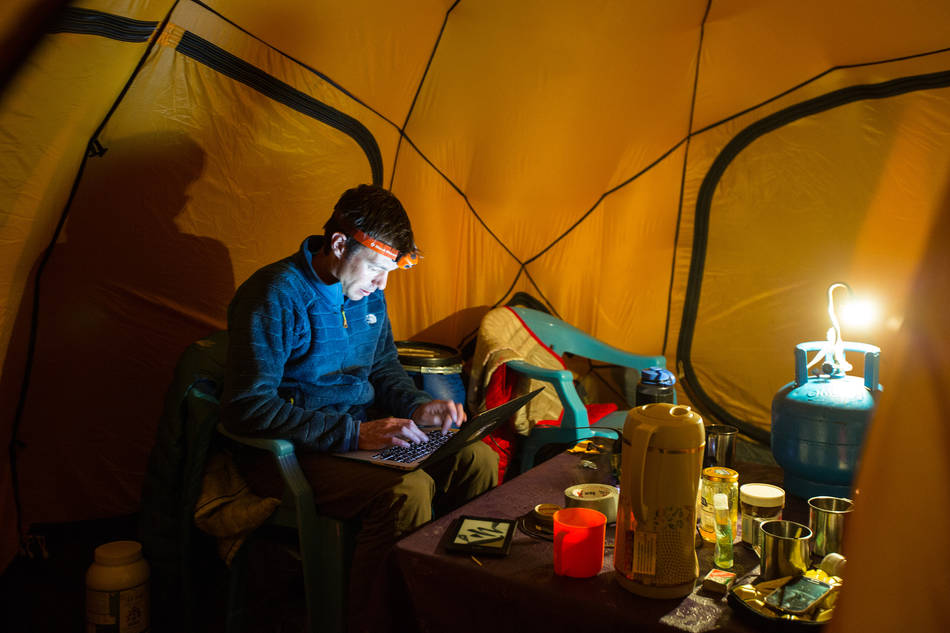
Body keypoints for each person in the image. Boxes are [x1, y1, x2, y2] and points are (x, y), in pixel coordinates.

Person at [220, 184, 499, 631]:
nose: (381, 284)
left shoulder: (367, 294)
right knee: (406, 493)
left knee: (476, 459)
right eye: (376, 268)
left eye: (390, 271)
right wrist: (354, 435)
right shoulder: (275, 294)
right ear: (337, 244)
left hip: (355, 437)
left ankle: (445, 602)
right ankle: (374, 621)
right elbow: (247, 406)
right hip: (292, 451)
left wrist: (420, 406)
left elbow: (384, 368)